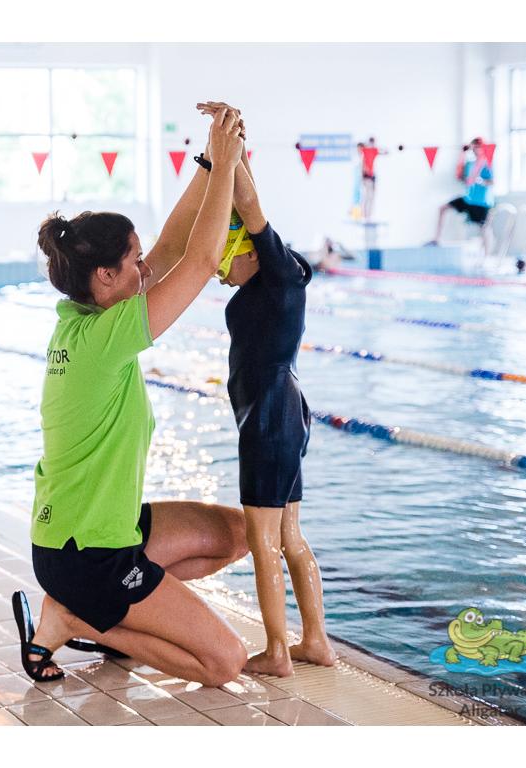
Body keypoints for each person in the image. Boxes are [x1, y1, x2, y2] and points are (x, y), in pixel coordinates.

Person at [11, 105, 251, 687]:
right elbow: (196, 261)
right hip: (86, 557)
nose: (146, 269)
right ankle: (75, 618)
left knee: (238, 534)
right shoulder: (104, 337)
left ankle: (104, 610)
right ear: (106, 278)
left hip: (100, 529)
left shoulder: (85, 315)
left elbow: (170, 249)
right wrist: (227, 168)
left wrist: (208, 159)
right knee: (224, 663)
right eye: (133, 262)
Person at [203, 101, 336, 677]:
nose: (218, 269)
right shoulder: (278, 282)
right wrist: (231, 150)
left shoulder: (279, 273)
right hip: (283, 409)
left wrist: (227, 140)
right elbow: (245, 201)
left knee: (264, 540)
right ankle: (316, 643)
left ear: (253, 252)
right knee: (289, 535)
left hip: (268, 415)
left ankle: (278, 650)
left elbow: (250, 206)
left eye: (225, 260)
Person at [427, 137, 494, 255]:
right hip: (468, 199)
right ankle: (437, 238)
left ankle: (487, 255)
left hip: (481, 202)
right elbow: (461, 177)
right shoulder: (470, 164)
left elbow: (492, 182)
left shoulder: (487, 163)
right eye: (473, 147)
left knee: (484, 228)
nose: (475, 150)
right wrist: (462, 154)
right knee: (442, 208)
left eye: (477, 147)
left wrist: (481, 181)